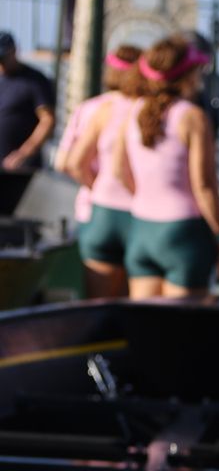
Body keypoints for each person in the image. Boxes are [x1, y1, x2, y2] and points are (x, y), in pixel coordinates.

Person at [113, 35, 219, 299]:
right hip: (183, 233)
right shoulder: (193, 116)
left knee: (144, 329)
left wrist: (145, 196)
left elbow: (120, 171)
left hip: (142, 229)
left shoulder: (133, 110)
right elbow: (204, 185)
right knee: (183, 332)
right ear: (187, 76)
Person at [59, 46, 140, 298]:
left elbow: (66, 162)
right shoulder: (144, 109)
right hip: (136, 214)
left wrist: (95, 187)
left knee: (97, 305)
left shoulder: (90, 108)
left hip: (94, 213)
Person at [0, 30, 57, 216]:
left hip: (20, 172)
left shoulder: (35, 80)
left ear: (14, 51)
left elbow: (47, 120)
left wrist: (24, 153)